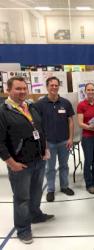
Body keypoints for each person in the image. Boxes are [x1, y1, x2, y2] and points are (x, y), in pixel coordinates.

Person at [0, 77, 54, 244]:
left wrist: (44, 148)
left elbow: (39, 128)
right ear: (8, 90)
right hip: (20, 164)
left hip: (38, 159)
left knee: (36, 192)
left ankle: (35, 215)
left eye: (24, 88)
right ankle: (23, 229)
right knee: (22, 198)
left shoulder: (30, 106)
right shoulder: (3, 111)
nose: (22, 91)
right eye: (18, 88)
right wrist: (11, 163)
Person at [34, 76, 75, 202]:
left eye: (56, 85)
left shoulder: (65, 103)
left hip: (64, 141)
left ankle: (64, 186)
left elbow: (71, 121)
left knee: (64, 165)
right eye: (51, 85)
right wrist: (42, 142)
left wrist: (70, 138)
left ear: (59, 87)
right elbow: (36, 125)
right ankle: (50, 190)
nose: (54, 87)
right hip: (48, 143)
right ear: (47, 87)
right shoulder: (39, 104)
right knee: (50, 168)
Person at [77, 83, 94, 194]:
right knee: (88, 161)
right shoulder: (81, 105)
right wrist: (90, 128)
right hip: (88, 137)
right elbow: (80, 123)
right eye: (88, 90)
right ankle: (89, 184)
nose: (91, 91)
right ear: (85, 91)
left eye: (92, 89)